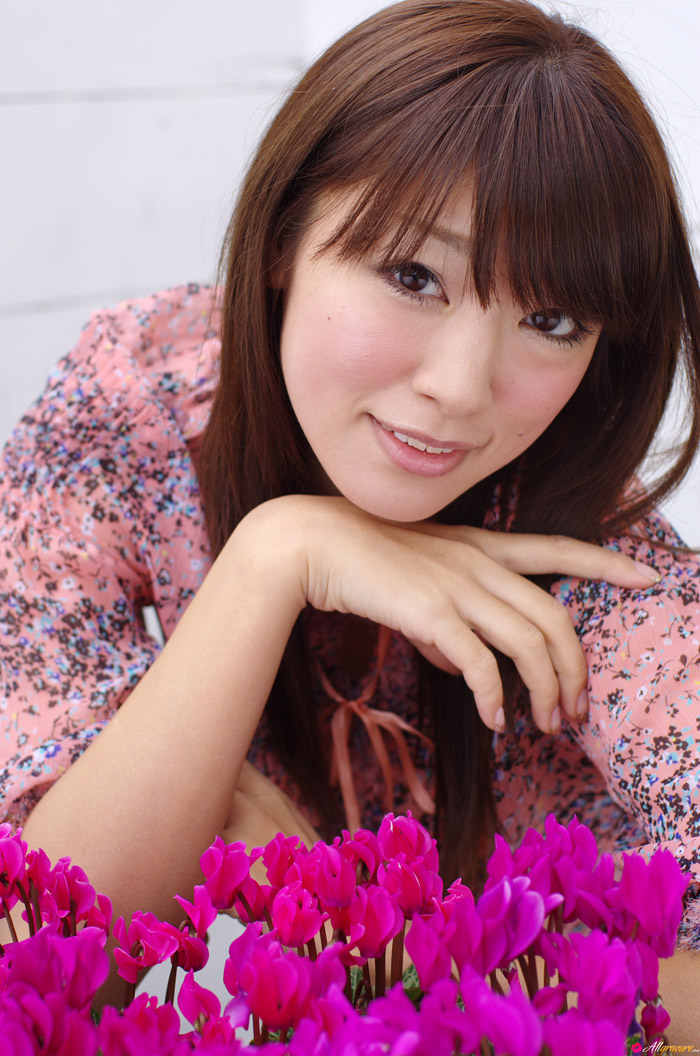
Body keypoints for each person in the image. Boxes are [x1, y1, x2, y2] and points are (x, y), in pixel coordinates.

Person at [1, 0, 699, 1034]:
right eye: (413, 275)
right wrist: (273, 557)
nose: (460, 388)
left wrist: (362, 934)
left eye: (550, 318)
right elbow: (39, 942)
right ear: (284, 240)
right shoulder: (137, 408)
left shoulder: (590, 551)